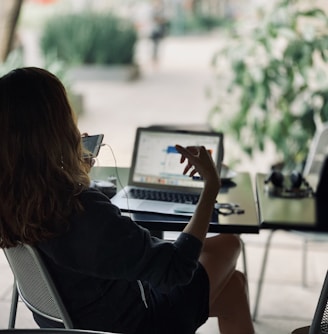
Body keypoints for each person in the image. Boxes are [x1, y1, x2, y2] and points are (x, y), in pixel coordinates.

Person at [0, 67, 254, 334]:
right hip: (136, 324)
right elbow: (176, 270)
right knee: (229, 242)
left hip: (79, 321)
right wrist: (210, 189)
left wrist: (72, 174)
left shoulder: (14, 201)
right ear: (56, 129)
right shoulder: (82, 210)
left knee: (234, 287)